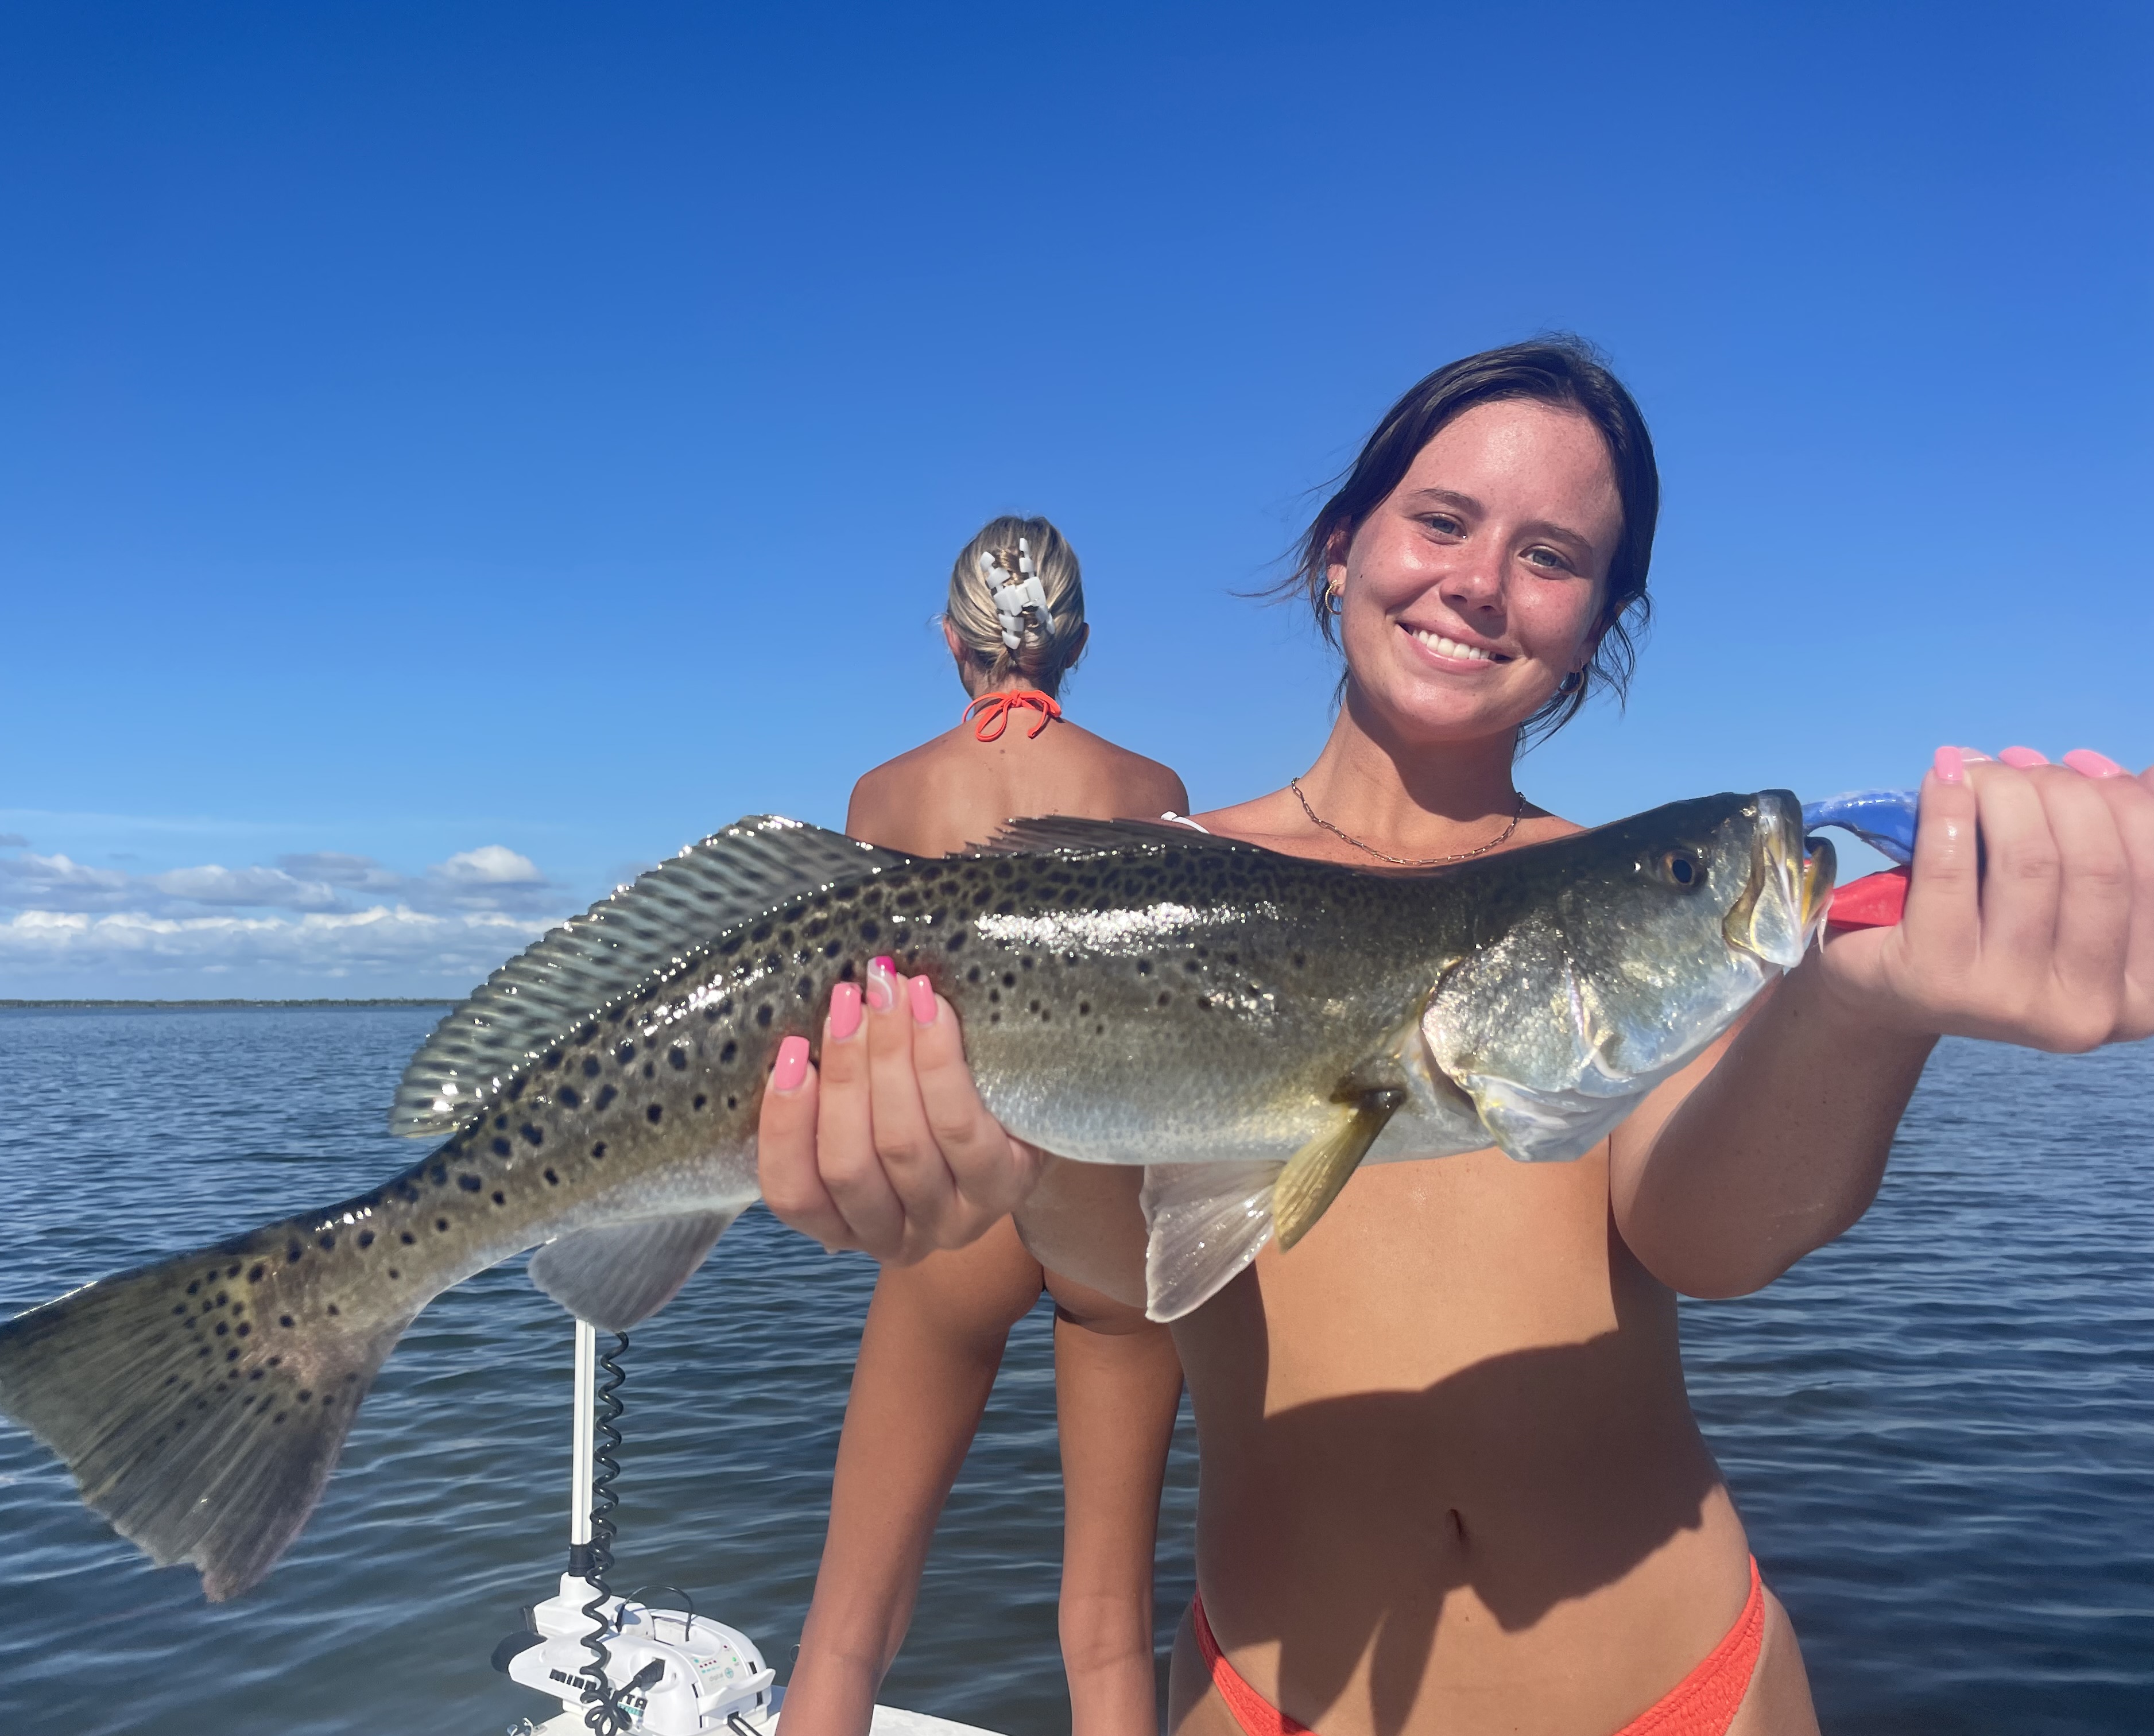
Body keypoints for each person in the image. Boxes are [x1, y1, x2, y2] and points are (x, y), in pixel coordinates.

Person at [754, 340, 2154, 1736]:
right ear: (1340, 549)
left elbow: (1710, 1235)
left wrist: (1872, 1003)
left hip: (1683, 1694)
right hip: (1271, 1702)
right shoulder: (1157, 882)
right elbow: (1135, 1283)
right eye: (1442, 521)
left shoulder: (1629, 902)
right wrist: (1016, 1160)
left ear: (1599, 626)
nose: (1482, 582)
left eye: (1553, 556)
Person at [778, 516, 1194, 1736]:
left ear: (950, 641)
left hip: (955, 1189)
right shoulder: (1151, 789)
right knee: (1109, 1630)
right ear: (1079, 646)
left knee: (849, 1627)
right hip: (1114, 1197)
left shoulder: (886, 794)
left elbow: (849, 1010)